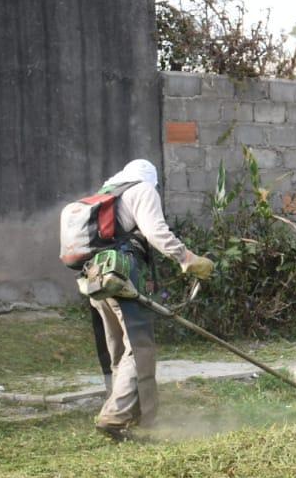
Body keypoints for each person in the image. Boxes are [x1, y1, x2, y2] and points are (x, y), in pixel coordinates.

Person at [85, 159, 213, 440]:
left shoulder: (107, 194)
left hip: (94, 276)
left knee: (118, 347)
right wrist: (187, 258)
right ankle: (115, 417)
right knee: (139, 346)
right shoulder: (142, 190)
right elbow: (156, 232)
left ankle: (132, 415)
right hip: (121, 273)